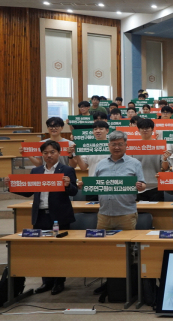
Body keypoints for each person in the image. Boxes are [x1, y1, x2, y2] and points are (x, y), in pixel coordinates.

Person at [4, 140, 77, 295]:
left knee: (59, 251)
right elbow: (28, 192)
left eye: (52, 152)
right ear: (42, 154)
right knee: (43, 250)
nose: (49, 155)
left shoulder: (67, 170)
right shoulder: (36, 171)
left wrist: (67, 185)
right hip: (40, 216)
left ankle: (59, 281)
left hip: (59, 216)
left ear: (58, 153)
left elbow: (74, 192)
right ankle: (47, 282)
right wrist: (11, 186)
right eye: (45, 153)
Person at [91, 131, 146, 230]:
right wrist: (85, 184)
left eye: (120, 144)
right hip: (104, 214)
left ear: (126, 145)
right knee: (102, 245)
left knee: (126, 244)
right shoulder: (101, 164)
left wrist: (141, 186)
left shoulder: (135, 163)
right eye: (113, 144)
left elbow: (143, 184)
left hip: (126, 214)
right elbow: (94, 184)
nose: (117, 147)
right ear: (109, 145)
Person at [71, 121, 110, 201]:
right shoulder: (88, 146)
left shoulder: (113, 146)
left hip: (109, 184)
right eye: (95, 129)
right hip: (92, 184)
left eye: (101, 129)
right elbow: (83, 167)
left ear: (107, 131)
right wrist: (77, 154)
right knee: (91, 212)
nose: (98, 131)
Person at [133, 118, 164, 201]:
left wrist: (165, 159)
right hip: (138, 186)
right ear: (138, 130)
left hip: (156, 186)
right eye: (142, 128)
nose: (145, 130)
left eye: (147, 128)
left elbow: (164, 168)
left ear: (152, 129)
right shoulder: (133, 146)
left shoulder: (159, 145)